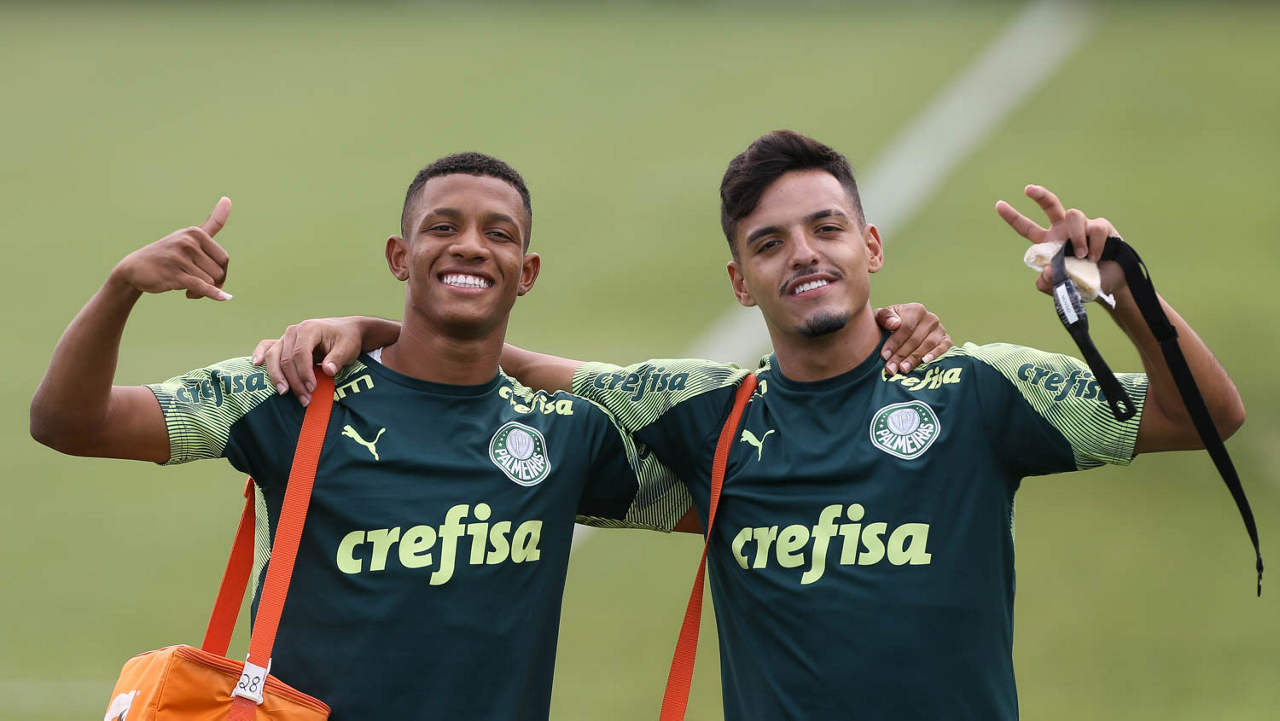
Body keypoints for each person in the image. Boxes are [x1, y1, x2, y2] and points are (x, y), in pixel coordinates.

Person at [263, 131, 1245, 719]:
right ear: (741, 281)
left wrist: (1122, 290)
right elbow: (520, 361)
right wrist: (377, 330)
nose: (802, 254)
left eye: (825, 229)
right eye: (769, 243)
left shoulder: (977, 389)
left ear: (869, 245)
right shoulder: (709, 412)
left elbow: (1203, 416)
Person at [29, 151, 947, 720]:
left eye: (497, 233)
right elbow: (68, 422)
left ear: (527, 269)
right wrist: (121, 288)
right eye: (444, 227)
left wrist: (878, 349)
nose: (471, 245)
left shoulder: (567, 438)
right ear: (401, 257)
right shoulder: (296, 389)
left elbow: (758, 487)